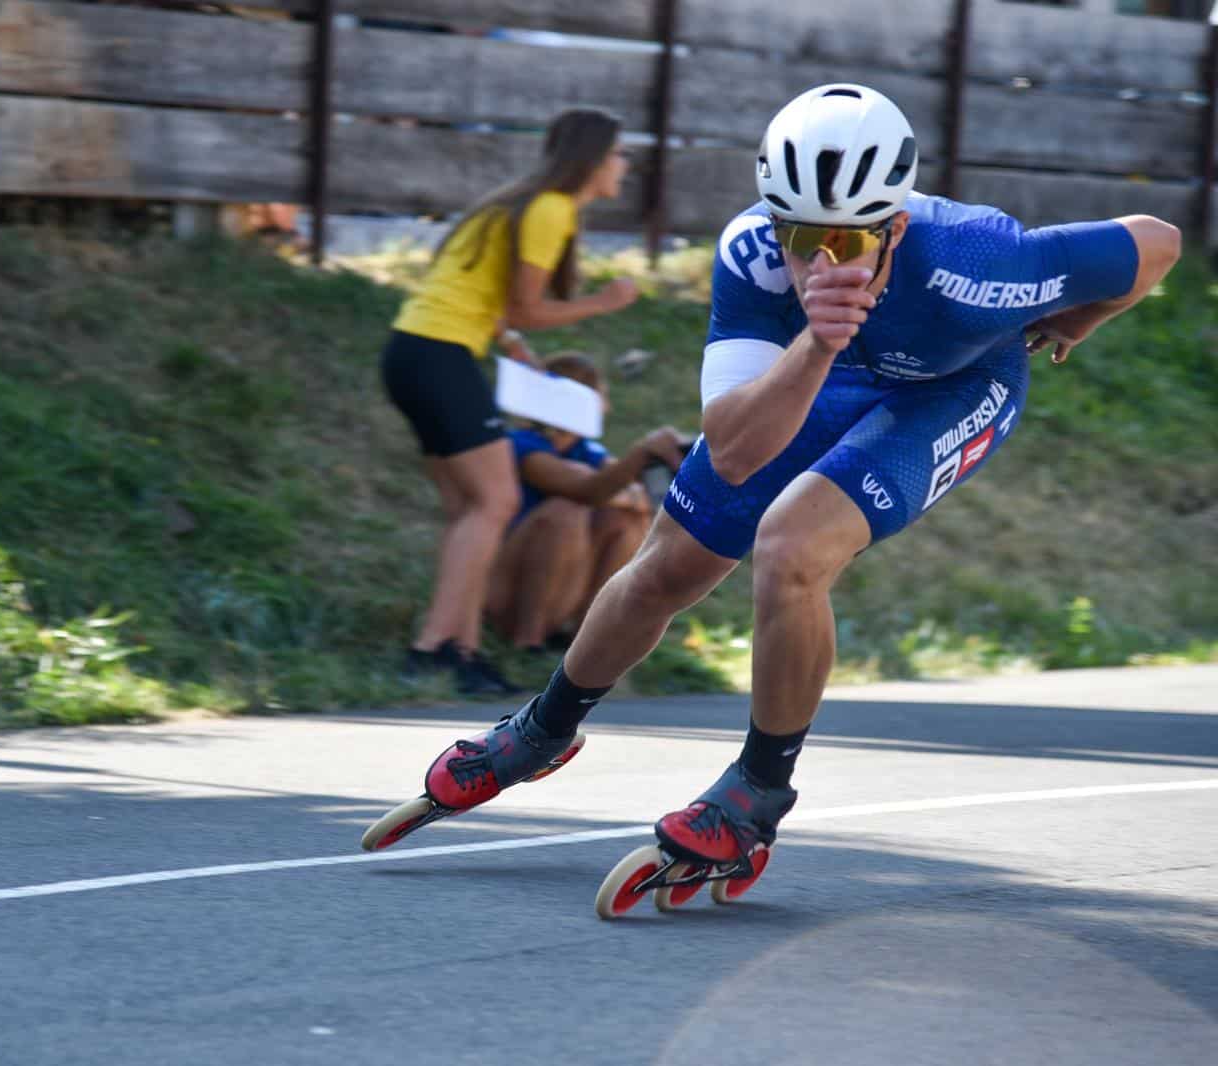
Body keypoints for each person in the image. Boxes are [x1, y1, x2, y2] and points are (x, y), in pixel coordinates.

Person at [367, 84, 1181, 880]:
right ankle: (542, 730)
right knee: (668, 563)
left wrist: (1079, 319)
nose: (816, 260)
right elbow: (730, 449)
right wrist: (820, 342)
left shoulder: (989, 261)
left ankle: (758, 790)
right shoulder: (752, 255)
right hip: (823, 373)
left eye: (847, 241)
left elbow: (1158, 240)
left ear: (896, 227)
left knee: (792, 545)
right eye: (798, 232)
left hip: (952, 389)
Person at [380, 108, 641, 695]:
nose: (624, 166)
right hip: (439, 355)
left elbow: (485, 298)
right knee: (495, 501)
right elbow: (525, 304)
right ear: (594, 159)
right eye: (619, 154)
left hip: (414, 352)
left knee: (469, 509)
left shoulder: (516, 201)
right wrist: (604, 301)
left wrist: (510, 343)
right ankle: (430, 648)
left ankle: (463, 650)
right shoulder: (550, 209)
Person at [485, 351, 686, 652]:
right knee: (565, 512)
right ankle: (528, 639)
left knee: (625, 521)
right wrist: (639, 456)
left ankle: (585, 638)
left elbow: (638, 499)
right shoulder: (521, 445)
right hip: (508, 592)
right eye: (600, 398)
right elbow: (585, 491)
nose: (606, 408)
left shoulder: (585, 450)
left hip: (563, 588)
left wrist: (624, 487)